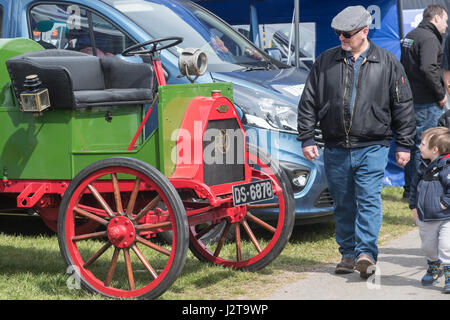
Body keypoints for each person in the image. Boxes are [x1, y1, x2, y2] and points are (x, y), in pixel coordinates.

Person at [297, 5, 415, 279]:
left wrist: (404, 144)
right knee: (343, 203)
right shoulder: (325, 61)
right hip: (336, 147)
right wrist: (306, 137)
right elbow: (308, 102)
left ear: (364, 31)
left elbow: (403, 106)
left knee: (369, 200)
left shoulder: (387, 62)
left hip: (373, 147)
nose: (342, 38)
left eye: (347, 34)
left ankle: (366, 254)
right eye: (339, 33)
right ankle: (348, 255)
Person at [401, 4, 448, 200]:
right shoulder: (429, 38)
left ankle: (410, 189)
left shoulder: (411, 35)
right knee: (426, 145)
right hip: (427, 102)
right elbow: (429, 68)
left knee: (414, 145)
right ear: (436, 18)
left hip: (411, 100)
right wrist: (440, 95)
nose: (446, 25)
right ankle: (420, 190)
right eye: (445, 20)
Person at [409, 126, 450, 293]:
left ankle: (448, 272)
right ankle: (434, 266)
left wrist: (444, 203)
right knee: (427, 247)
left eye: (423, 144)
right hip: (426, 217)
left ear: (435, 149)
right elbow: (413, 187)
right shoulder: (422, 166)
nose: (419, 146)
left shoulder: (447, 168)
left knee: (446, 246)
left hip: (446, 216)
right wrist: (413, 206)